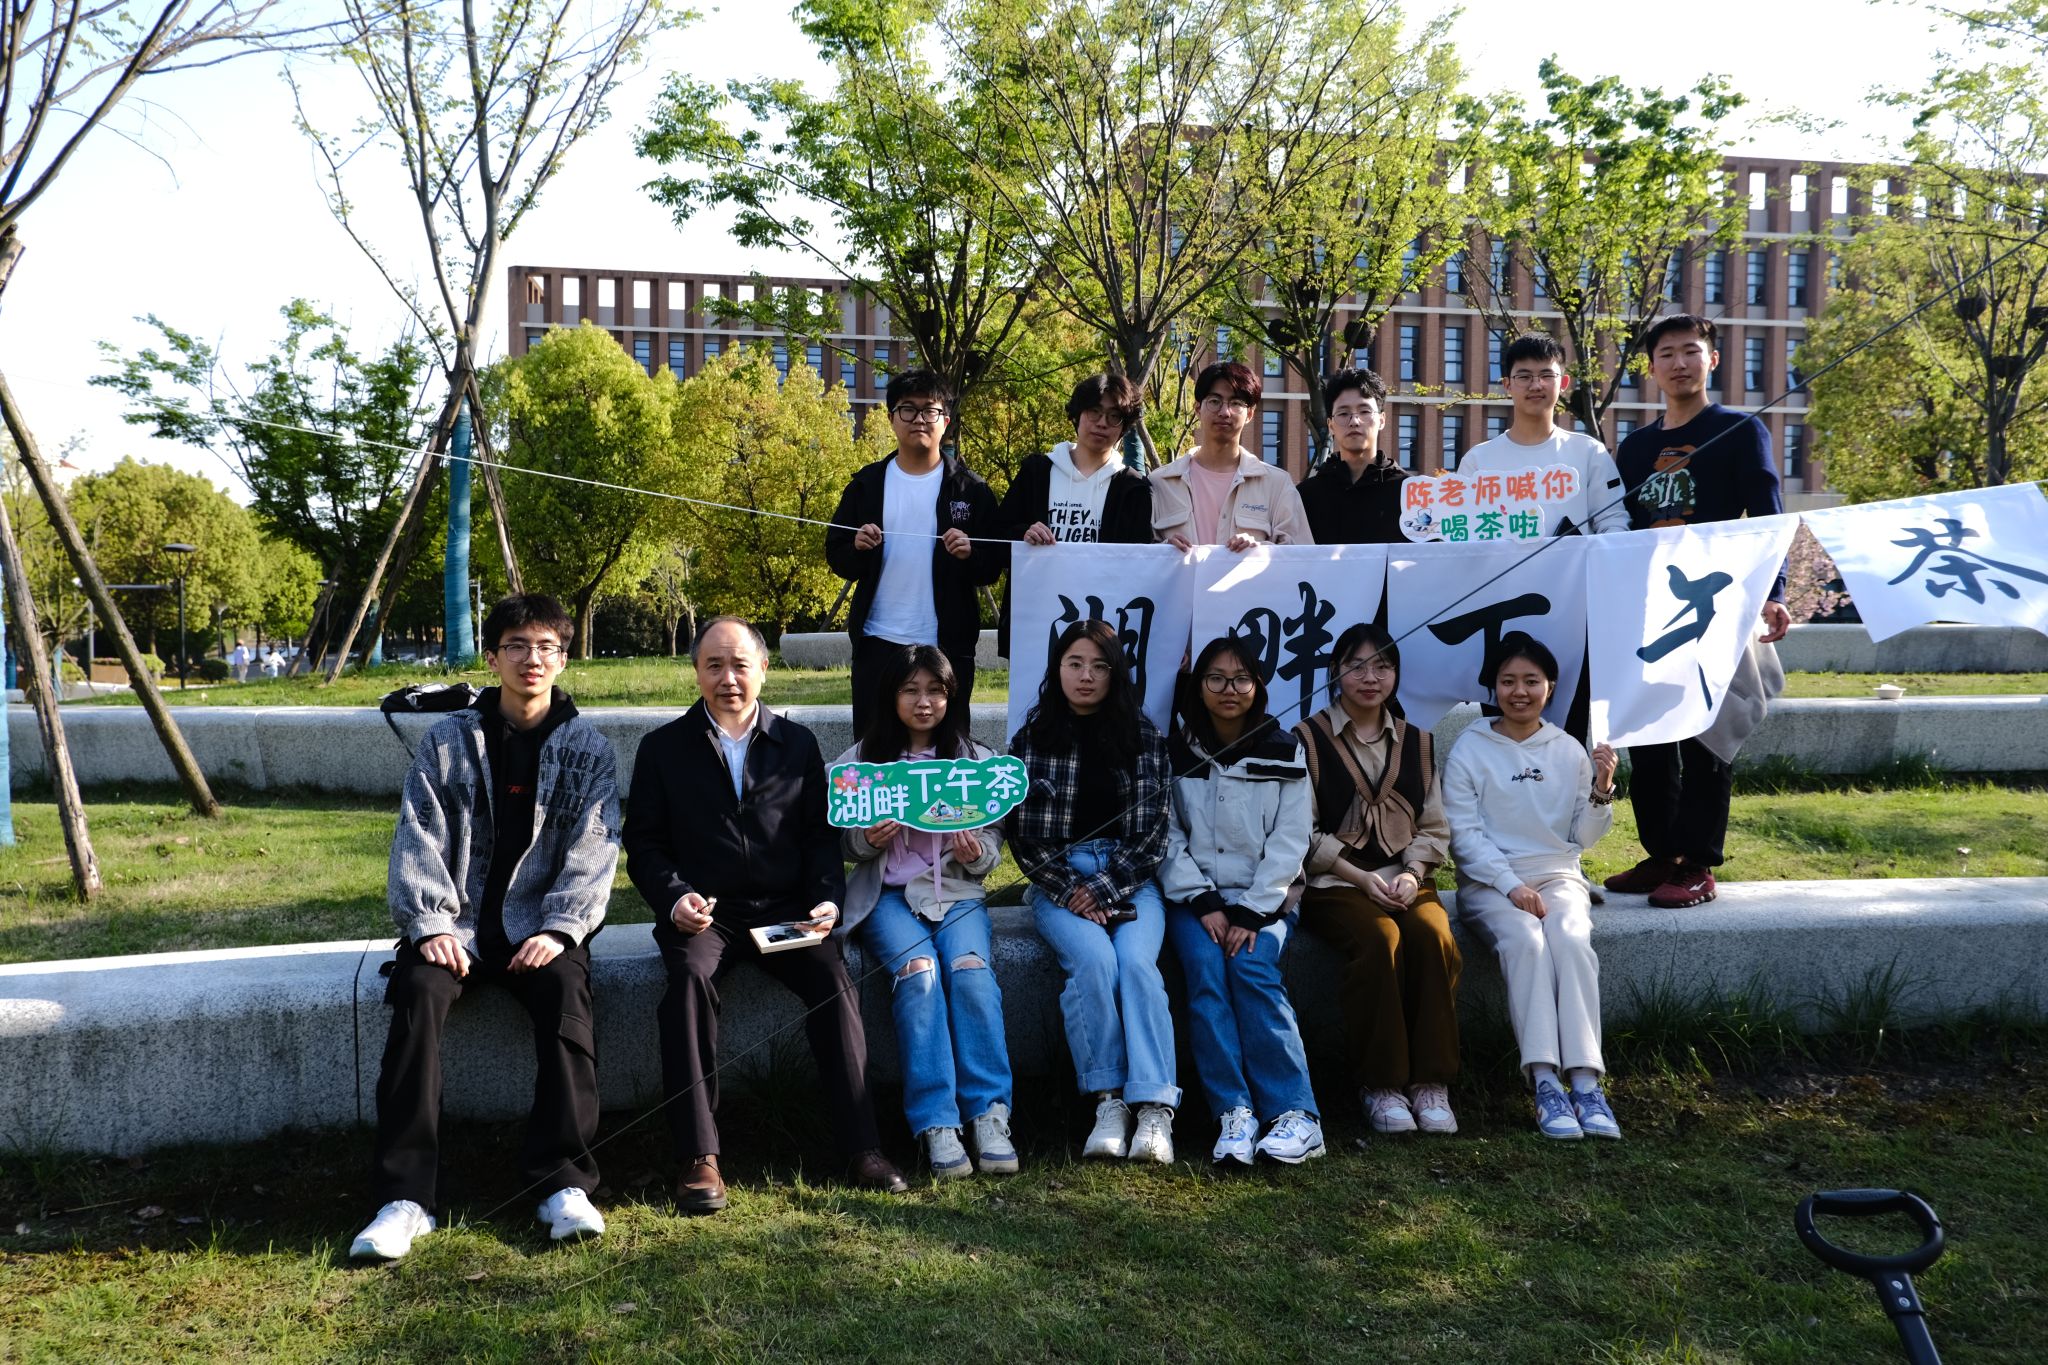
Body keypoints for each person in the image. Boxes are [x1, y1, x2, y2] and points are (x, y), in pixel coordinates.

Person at [352, 593, 619, 1261]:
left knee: (567, 996)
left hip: (542, 928)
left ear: (564, 658)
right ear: (494, 657)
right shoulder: (448, 741)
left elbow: (595, 850)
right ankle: (405, 1198)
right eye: (517, 645)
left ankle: (562, 1184)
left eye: (547, 647)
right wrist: (428, 923)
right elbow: (418, 836)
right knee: (417, 994)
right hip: (457, 926)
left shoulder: (588, 750)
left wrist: (561, 928)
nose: (533, 659)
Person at [624, 616, 908, 1213]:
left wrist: (826, 898)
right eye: (714, 666)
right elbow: (644, 844)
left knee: (833, 980)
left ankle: (863, 1146)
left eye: (740, 665)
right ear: (696, 672)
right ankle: (699, 1156)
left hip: (786, 911)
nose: (728, 678)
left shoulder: (797, 744)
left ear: (763, 670)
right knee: (687, 983)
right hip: (708, 915)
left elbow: (819, 837)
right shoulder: (662, 749)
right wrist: (675, 898)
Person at [1608, 314, 1790, 909]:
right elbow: (1618, 528)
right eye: (1667, 353)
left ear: (1712, 360)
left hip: (1716, 605)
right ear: (1651, 367)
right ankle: (1662, 853)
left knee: (1707, 734)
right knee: (1649, 734)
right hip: (1650, 608)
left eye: (1691, 351)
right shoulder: (1635, 448)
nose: (1679, 363)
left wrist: (1775, 590)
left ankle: (1699, 862)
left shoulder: (1739, 430)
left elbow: (1767, 515)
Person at [833, 644, 1018, 1179]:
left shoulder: (975, 761)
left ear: (951, 696)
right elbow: (841, 839)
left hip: (957, 895)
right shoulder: (860, 763)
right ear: (890, 696)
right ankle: (936, 1121)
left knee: (971, 972)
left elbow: (993, 839)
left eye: (935, 690)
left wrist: (975, 853)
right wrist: (867, 840)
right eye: (910, 690)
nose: (924, 702)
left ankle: (989, 1113)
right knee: (919, 974)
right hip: (888, 899)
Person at [1009, 618, 1180, 1162]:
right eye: (1075, 663)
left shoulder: (1143, 736)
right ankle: (1108, 1100)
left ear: (1115, 674)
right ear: (1057, 669)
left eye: (1099, 666)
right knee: (1093, 962)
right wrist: (1072, 891)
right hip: (1057, 882)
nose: (1086, 676)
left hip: (1131, 878)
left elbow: (1154, 833)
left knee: (1136, 965)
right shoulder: (1031, 739)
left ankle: (1154, 1108)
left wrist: (1103, 888)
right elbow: (1021, 836)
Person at [1443, 633, 1622, 1142]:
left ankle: (1585, 1081)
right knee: (1526, 940)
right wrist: (1509, 884)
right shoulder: (1470, 747)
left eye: (1530, 681)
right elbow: (1464, 835)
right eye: (1508, 681)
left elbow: (1582, 838)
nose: (1518, 692)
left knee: (1570, 938)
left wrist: (1601, 790)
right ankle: (1544, 1080)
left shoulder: (1568, 749)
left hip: (1558, 873)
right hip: (1489, 882)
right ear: (1493, 688)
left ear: (1551, 686)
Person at [1158, 635, 1323, 1165]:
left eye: (1241, 679)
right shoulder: (1176, 750)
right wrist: (1203, 900)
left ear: (1258, 686)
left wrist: (1253, 911)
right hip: (1195, 901)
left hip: (1267, 899)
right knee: (1206, 971)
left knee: (1251, 967)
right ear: (1198, 686)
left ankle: (1296, 1114)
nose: (1229, 690)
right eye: (1216, 678)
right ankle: (1234, 1111)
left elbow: (1291, 840)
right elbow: (1166, 837)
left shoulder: (1284, 749)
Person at [1293, 624, 1462, 1138]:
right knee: (1380, 938)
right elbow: (1301, 832)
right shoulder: (1307, 738)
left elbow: (1433, 827)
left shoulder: (1420, 742)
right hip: (1335, 884)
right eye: (1356, 666)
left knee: (1433, 935)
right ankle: (1381, 1084)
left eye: (1382, 667)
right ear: (1335, 672)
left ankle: (1430, 1081)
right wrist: (1360, 878)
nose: (1370, 678)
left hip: (1407, 879)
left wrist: (1412, 874)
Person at [825, 368, 1006, 735]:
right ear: (892, 418)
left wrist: (970, 554)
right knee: (874, 747)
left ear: (946, 421)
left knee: (948, 747)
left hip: (948, 644)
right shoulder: (866, 485)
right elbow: (836, 554)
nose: (919, 419)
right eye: (908, 409)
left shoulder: (971, 490)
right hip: (877, 640)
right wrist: (857, 548)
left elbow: (992, 567)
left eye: (930, 410)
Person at [993, 371, 1155, 656]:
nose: (1102, 423)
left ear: (1124, 426)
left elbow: (1140, 565)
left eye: (1114, 416)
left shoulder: (1133, 488)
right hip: (1036, 620)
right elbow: (996, 538)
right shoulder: (1036, 472)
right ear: (1077, 414)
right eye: (1094, 412)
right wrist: (1023, 534)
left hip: (1105, 625)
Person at [1458, 332, 1628, 537]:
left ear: (1563, 383)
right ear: (1507, 385)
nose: (1536, 385)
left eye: (1547, 375)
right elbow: (1463, 531)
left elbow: (1613, 521)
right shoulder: (1477, 461)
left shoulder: (1589, 452)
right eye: (1524, 377)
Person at [1150, 360, 1312, 551]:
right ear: (1197, 409)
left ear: (1250, 414)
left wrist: (1260, 551)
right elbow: (1135, 556)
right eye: (1214, 401)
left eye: (1236, 403)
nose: (1225, 412)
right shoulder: (1159, 483)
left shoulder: (1277, 485)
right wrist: (1163, 551)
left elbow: (1302, 557)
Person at [1295, 367, 1408, 544]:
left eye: (1364, 411)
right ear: (1331, 425)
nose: (1354, 421)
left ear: (1382, 420)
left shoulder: (1409, 492)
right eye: (1343, 413)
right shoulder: (1306, 496)